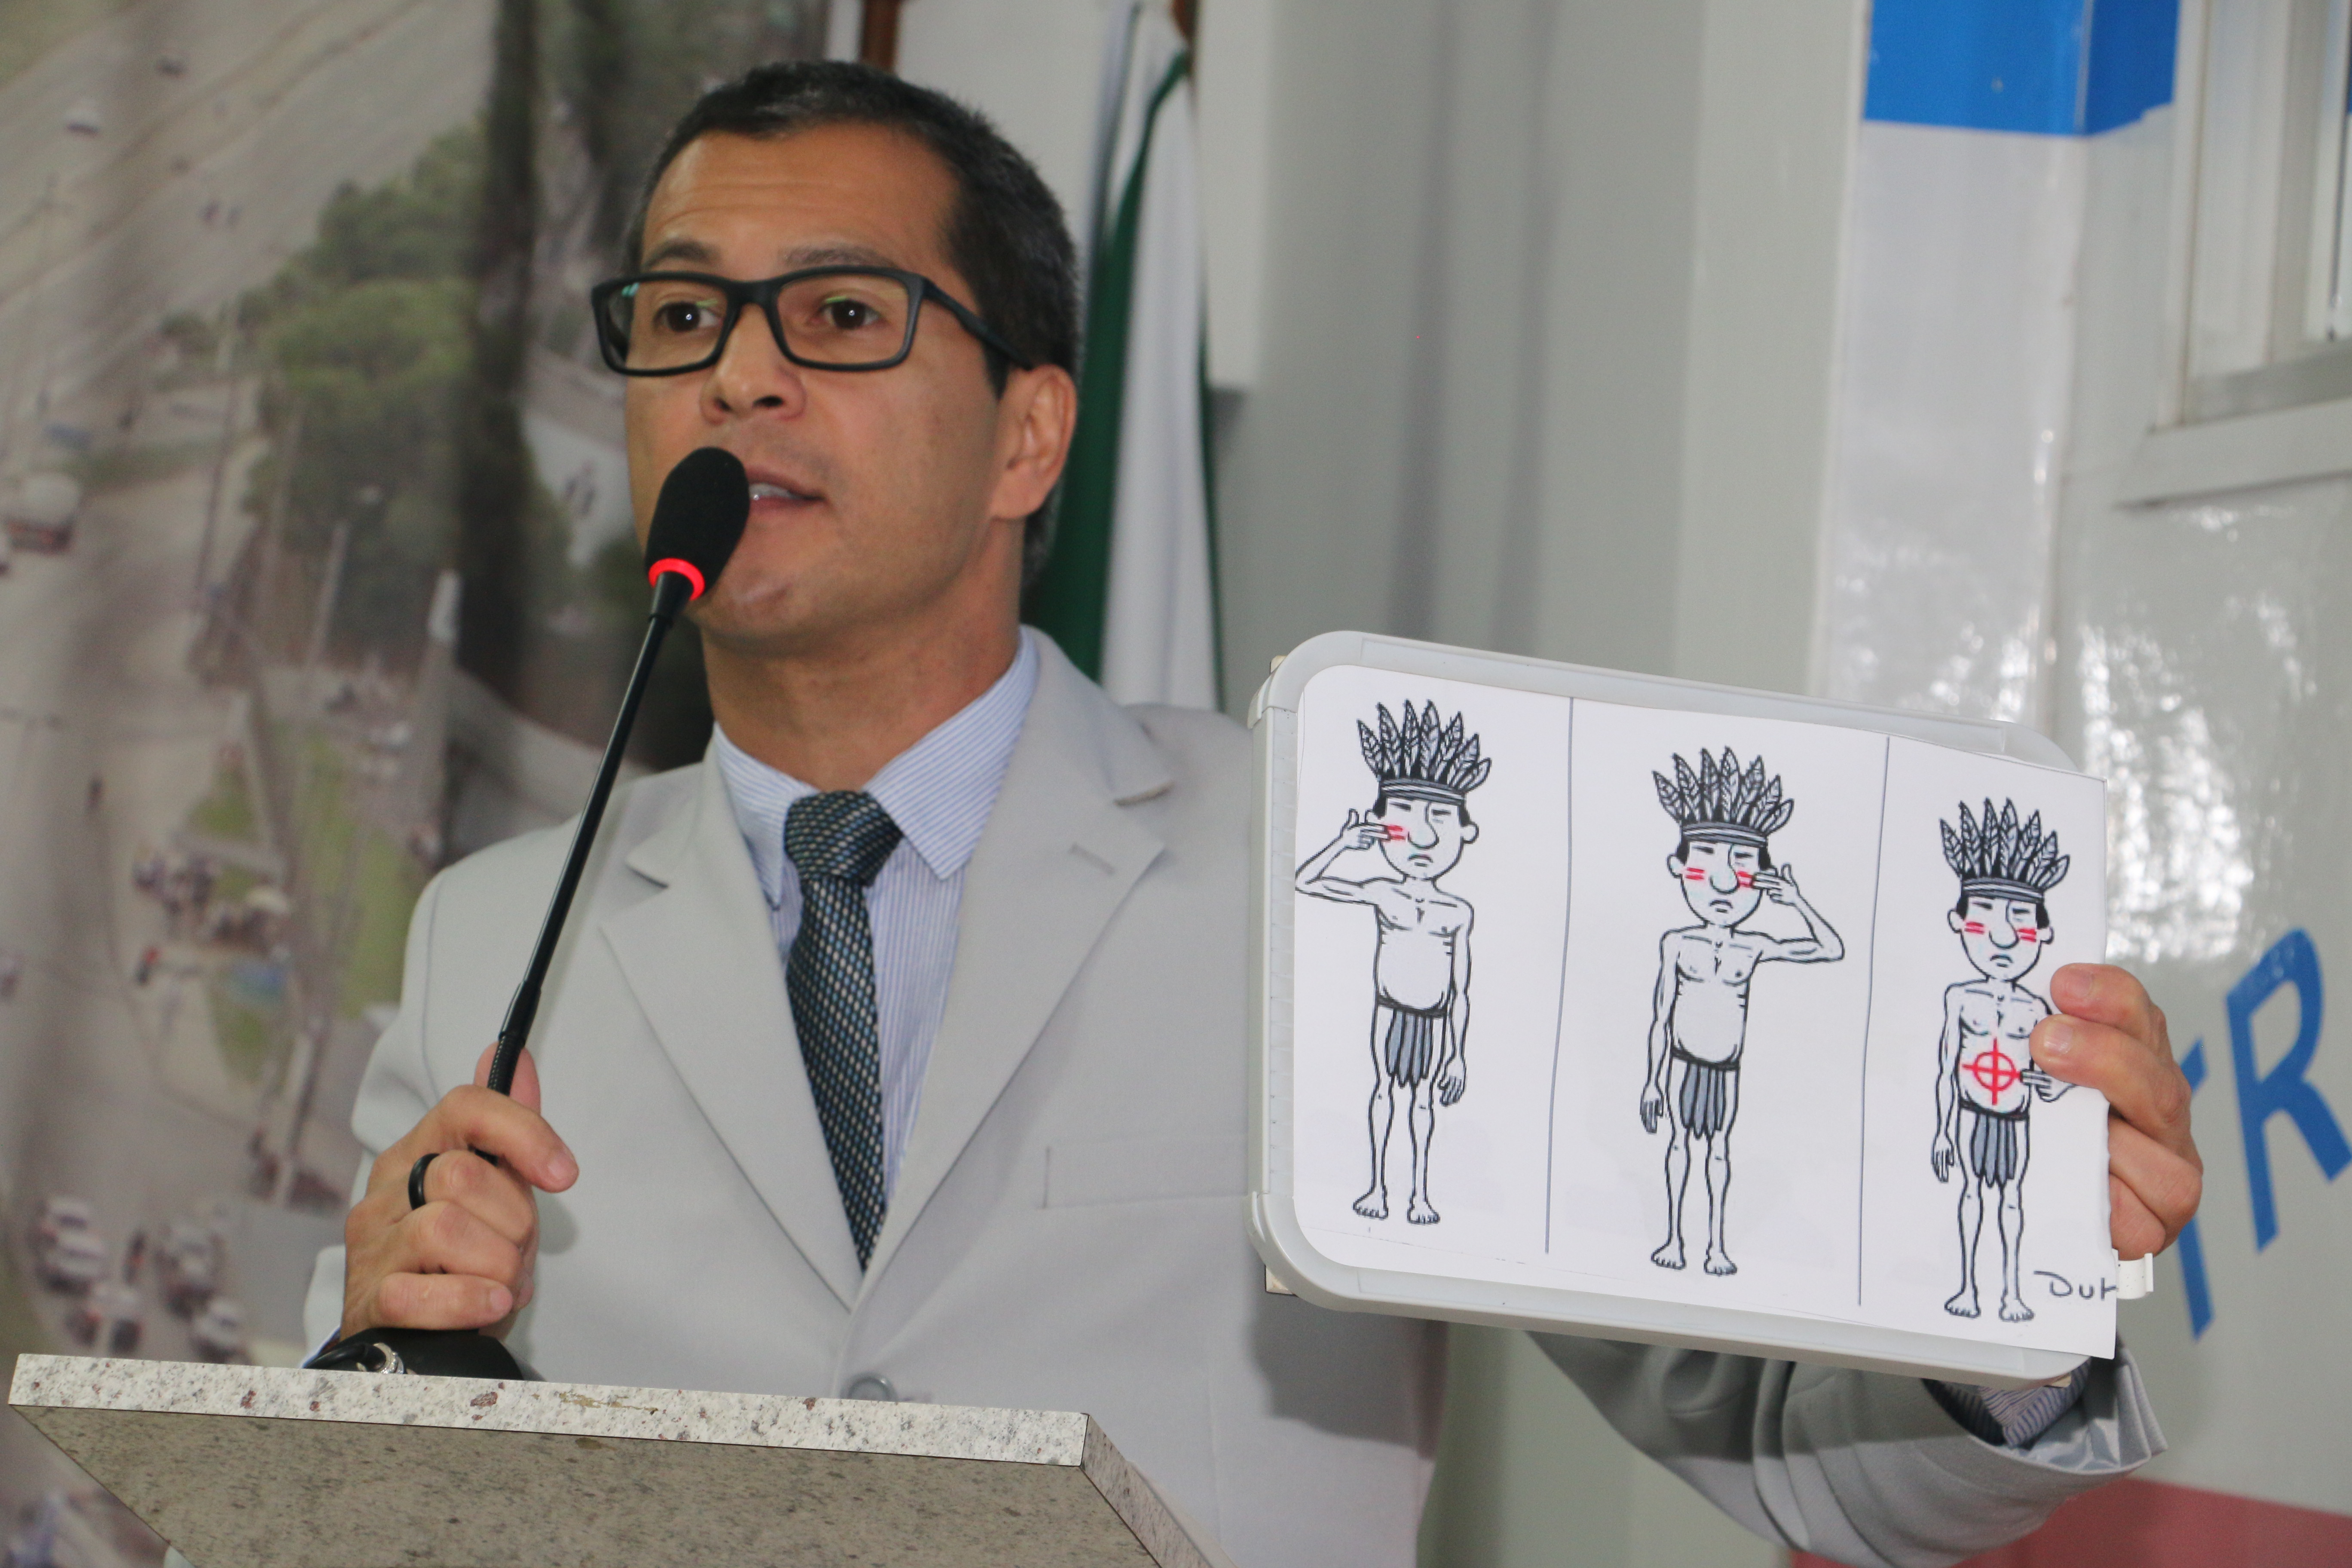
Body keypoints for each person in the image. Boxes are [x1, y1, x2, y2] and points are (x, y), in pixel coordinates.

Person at [306, 62, 2203, 1567]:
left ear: (1029, 434)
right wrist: (376, 1357)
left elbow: (1808, 1464)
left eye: (842, 313)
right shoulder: (499, 934)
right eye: (681, 314)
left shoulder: (1332, 868)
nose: (738, 373)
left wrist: (2012, 1315)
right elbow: (333, 1500)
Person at [1644, 748, 1844, 1277]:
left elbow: (1830, 949)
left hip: (1724, 1068)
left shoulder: (1753, 946)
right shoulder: (1677, 942)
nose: (1725, 882)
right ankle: (1673, 1239)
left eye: (1743, 864)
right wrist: (1652, 1082)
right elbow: (1661, 1016)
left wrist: (1797, 902)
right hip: (1683, 1062)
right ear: (1679, 866)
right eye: (1707, 858)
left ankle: (1715, 1246)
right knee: (1680, 1146)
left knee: (1717, 1150)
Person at [1294, 699, 1489, 1226]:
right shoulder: (1383, 891)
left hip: (1433, 1019)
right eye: (1403, 813)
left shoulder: (1457, 912)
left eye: (1440, 817)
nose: (1423, 836)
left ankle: (1419, 1195)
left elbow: (1462, 990)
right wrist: (1342, 844)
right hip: (1391, 1010)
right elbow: (1306, 881)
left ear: (1466, 831)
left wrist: (1458, 1055)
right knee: (1384, 1090)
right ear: (1381, 824)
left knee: (1423, 1101)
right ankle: (1378, 1188)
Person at [1934, 798, 2077, 1324]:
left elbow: (2062, 1074)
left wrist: (2058, 1086)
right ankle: (1968, 1289)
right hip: (1972, 1115)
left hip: (2015, 1117)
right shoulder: (1958, 999)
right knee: (1972, 1194)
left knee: (2012, 1198)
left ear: (2044, 931)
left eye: (2019, 917)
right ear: (1959, 921)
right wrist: (1943, 1132)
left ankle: (2012, 1294)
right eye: (1985, 914)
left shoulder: (2038, 1008)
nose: (2002, 935)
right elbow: (1947, 1069)